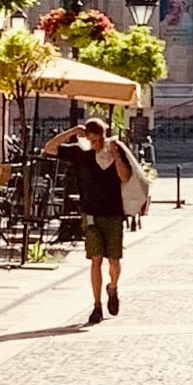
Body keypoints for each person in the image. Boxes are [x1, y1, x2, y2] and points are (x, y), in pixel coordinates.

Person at [43, 120, 133, 322]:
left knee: (114, 261)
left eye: (99, 139)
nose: (96, 145)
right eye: (92, 141)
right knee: (96, 260)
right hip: (91, 214)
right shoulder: (80, 153)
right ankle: (97, 306)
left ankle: (113, 287)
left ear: (104, 135)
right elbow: (49, 148)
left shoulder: (113, 152)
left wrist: (116, 154)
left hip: (114, 214)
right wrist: (73, 131)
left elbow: (125, 177)